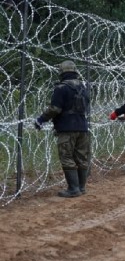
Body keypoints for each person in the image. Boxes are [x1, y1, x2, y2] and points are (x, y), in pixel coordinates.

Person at [34, 60, 90, 198]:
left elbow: (55, 109)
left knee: (66, 157)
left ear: (62, 72)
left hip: (67, 128)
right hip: (82, 127)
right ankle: (81, 187)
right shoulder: (83, 87)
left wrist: (41, 120)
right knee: (82, 158)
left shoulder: (61, 88)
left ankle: (73, 189)